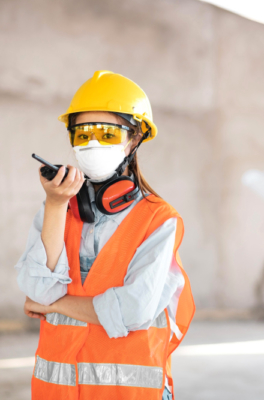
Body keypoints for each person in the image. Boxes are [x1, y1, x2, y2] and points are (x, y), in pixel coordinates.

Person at [15, 70, 195, 399]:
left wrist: (55, 305)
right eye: (82, 134)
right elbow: (36, 288)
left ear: (135, 138)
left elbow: (133, 310)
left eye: (107, 133)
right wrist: (55, 204)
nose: (92, 142)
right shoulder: (59, 208)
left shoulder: (159, 220)